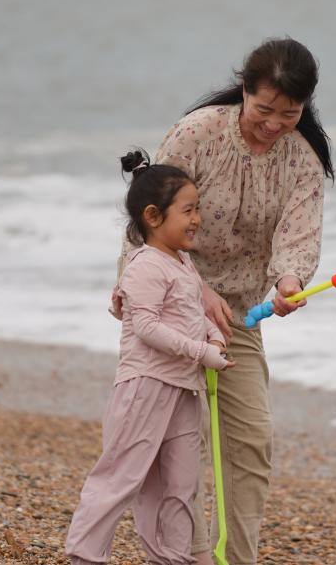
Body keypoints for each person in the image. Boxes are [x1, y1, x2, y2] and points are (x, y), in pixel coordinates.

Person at [112, 37, 332, 565]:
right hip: (166, 305)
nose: (275, 123)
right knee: (176, 448)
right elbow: (150, 221)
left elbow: (297, 240)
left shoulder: (301, 161)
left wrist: (288, 281)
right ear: (244, 93)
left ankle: (237, 559)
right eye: (264, 110)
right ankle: (179, 557)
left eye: (290, 113)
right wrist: (195, 289)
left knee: (251, 442)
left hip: (236, 319)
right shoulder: (198, 133)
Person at [67, 149, 235, 565]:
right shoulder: (144, 266)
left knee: (180, 483)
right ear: (153, 217)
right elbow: (146, 328)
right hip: (145, 385)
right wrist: (201, 351)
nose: (197, 219)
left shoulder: (184, 264)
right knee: (122, 476)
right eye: (189, 210)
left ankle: (171, 557)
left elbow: (196, 313)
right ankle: (84, 556)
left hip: (184, 389)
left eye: (198, 209)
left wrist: (214, 340)